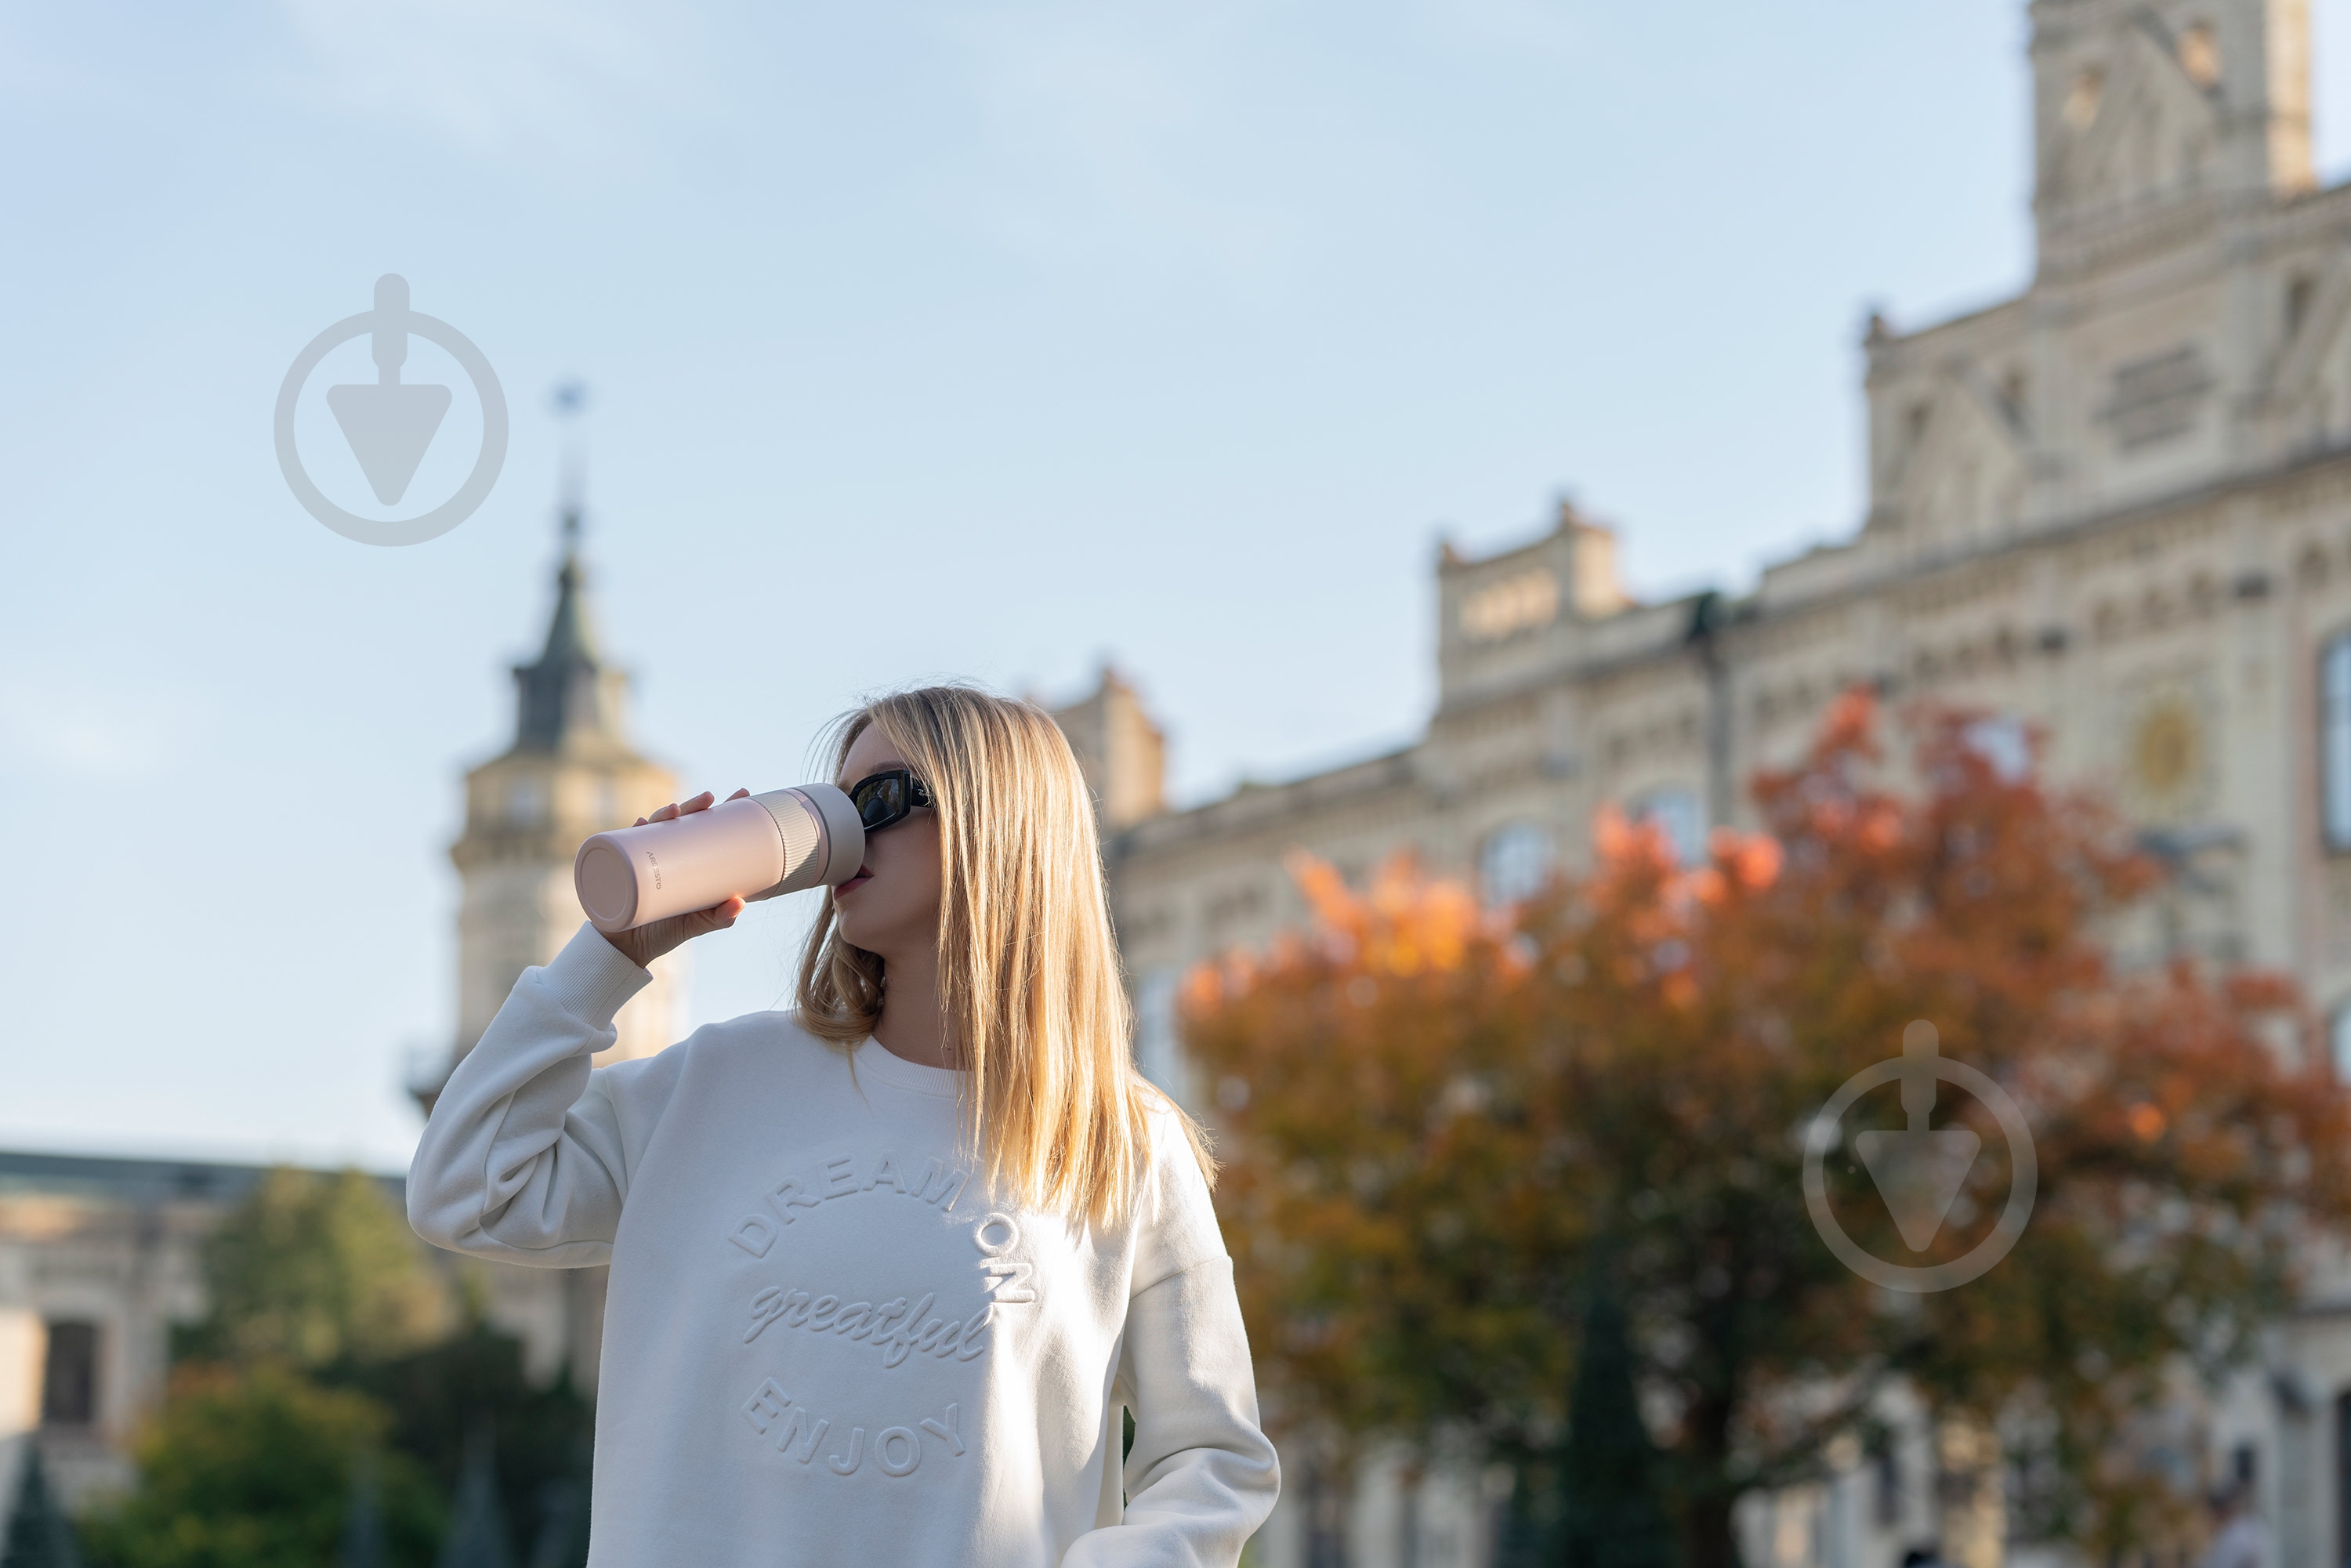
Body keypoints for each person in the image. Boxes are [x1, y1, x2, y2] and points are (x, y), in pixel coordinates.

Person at [408, 686, 1281, 1565]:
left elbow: (1214, 1457)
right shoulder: (717, 1084)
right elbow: (466, 1192)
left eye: (882, 800)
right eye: (835, 801)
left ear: (1000, 826)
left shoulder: (1120, 1146)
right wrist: (608, 956)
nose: (846, 833)